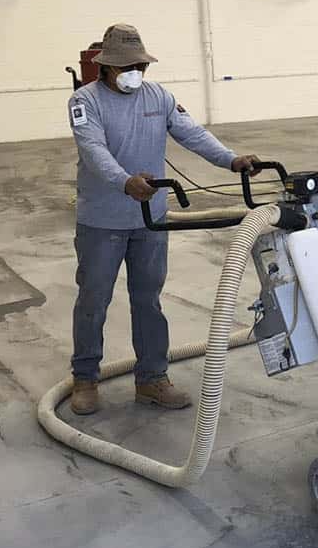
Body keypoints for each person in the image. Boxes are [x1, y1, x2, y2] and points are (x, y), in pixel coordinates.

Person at [67, 23, 261, 415]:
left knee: (149, 300)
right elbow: (93, 150)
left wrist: (231, 160)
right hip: (102, 221)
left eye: (140, 64)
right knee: (93, 299)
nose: (135, 72)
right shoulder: (86, 101)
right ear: (106, 67)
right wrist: (125, 182)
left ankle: (152, 378)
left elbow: (191, 133)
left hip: (150, 221)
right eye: (127, 66)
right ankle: (85, 378)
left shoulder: (159, 96)